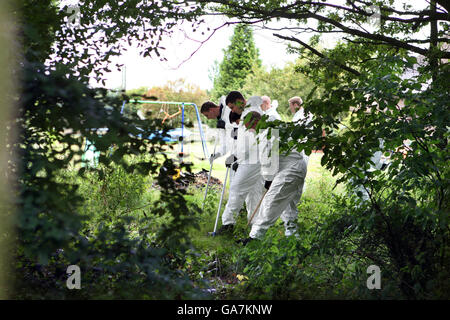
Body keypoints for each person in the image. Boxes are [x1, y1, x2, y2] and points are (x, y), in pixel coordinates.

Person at [234, 106, 309, 244]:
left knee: (270, 201)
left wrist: (268, 180)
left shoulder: (267, 131)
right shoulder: (273, 124)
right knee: (288, 204)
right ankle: (292, 238)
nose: (251, 131)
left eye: (250, 127)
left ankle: (254, 238)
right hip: (296, 166)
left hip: (291, 169)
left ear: (255, 122)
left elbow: (269, 158)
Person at [214, 91, 266, 235]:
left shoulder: (251, 112)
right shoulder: (250, 111)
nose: (232, 111)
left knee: (236, 189)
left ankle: (228, 224)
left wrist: (236, 157)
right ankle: (255, 225)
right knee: (253, 193)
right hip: (255, 159)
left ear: (239, 101)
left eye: (232, 107)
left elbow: (248, 142)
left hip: (251, 160)